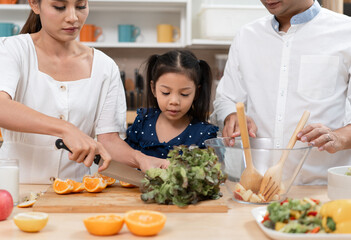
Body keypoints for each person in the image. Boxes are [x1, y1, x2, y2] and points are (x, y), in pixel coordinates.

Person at [0, 0, 168, 184]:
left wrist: (141, 159)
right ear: (35, 4)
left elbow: (109, 141)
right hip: (15, 191)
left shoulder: (105, 67)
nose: (73, 17)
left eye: (80, 6)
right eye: (59, 7)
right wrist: (65, 128)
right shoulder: (11, 49)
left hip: (75, 194)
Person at [211, 0, 351, 185]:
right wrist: (231, 115)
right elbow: (226, 98)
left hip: (322, 187)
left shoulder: (346, 32)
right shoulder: (247, 36)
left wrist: (339, 137)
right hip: (257, 187)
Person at [125, 50, 218, 159]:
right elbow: (126, 158)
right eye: (166, 92)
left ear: (196, 93)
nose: (174, 101)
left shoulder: (204, 134)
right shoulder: (143, 122)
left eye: (184, 94)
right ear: (153, 88)